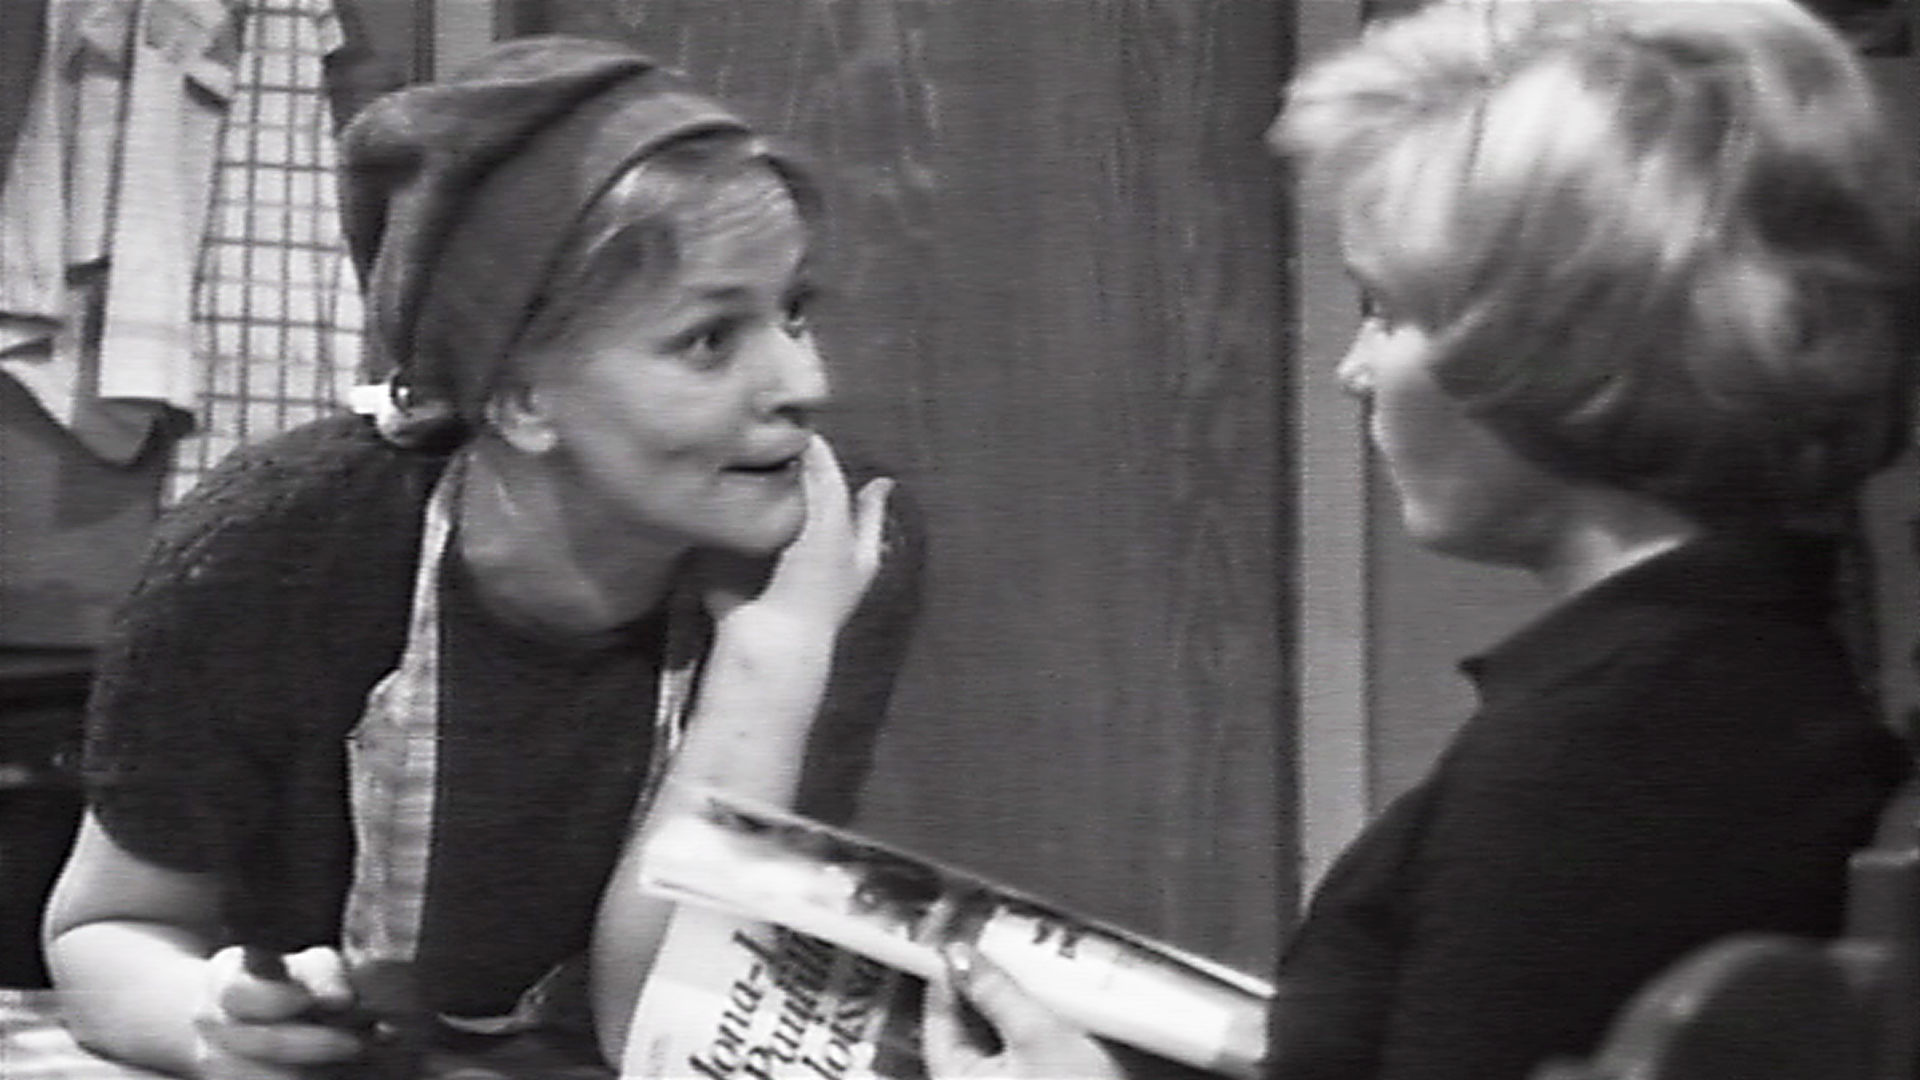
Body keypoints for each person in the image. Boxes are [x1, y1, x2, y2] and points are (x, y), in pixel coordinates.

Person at [922, 1, 1920, 1078]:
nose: (1352, 370)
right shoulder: (1728, 684)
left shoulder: (1605, 765)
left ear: (1557, 340)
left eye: (1389, 312)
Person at [40, 36, 921, 1080]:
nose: (805, 382)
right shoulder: (281, 544)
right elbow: (105, 931)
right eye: (709, 339)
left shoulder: (827, 553)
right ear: (519, 399)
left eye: (794, 312)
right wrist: (217, 1026)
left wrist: (774, 660)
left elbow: (663, 1028)